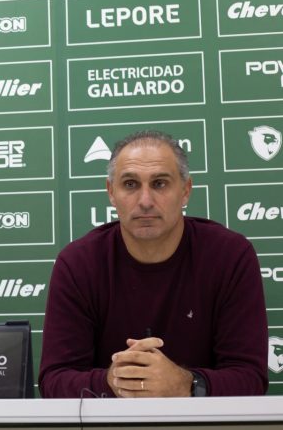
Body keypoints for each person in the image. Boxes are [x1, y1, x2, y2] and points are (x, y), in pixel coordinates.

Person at [38, 131, 268, 398]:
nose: (145, 201)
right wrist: (115, 380)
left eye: (159, 183)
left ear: (185, 190)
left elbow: (250, 378)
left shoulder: (230, 256)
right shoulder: (78, 263)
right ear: (111, 192)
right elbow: (54, 379)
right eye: (130, 184)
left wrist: (186, 384)